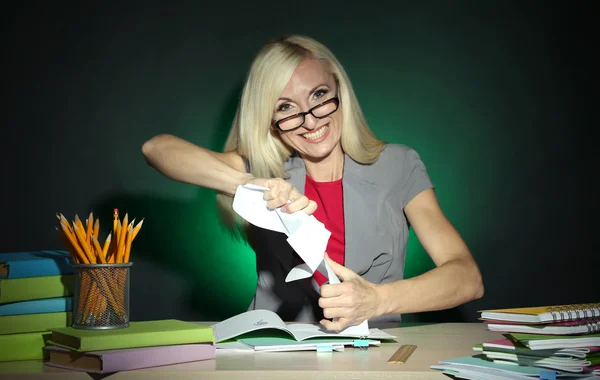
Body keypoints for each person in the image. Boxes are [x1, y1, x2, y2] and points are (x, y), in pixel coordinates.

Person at [142, 34, 484, 331]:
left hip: (374, 353)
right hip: (275, 353)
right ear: (270, 119)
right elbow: (157, 149)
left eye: (319, 95)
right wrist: (251, 183)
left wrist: (378, 300)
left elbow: (467, 278)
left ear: (339, 89)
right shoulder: (266, 166)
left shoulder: (398, 165)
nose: (309, 121)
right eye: (287, 107)